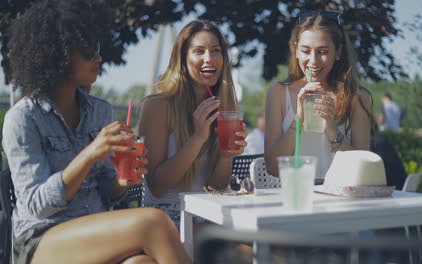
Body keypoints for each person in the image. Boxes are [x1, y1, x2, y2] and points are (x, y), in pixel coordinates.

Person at [2, 1, 191, 263]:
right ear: (58, 54)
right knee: (153, 222)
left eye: (97, 49)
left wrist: (120, 182)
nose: (98, 57)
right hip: (42, 241)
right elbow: (37, 205)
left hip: (95, 228)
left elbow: (107, 190)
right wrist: (89, 154)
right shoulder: (22, 118)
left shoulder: (100, 111)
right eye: (88, 50)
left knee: (142, 263)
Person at [137, 20, 247, 226]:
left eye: (216, 51)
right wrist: (197, 138)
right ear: (182, 58)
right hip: (166, 221)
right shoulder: (158, 106)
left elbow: (215, 188)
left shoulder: (221, 108)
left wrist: (226, 156)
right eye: (199, 51)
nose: (209, 58)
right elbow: (157, 187)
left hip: (207, 215)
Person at [264, 10, 372, 180]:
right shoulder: (278, 93)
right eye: (306, 51)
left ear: (338, 52)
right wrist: (297, 121)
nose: (313, 61)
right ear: (296, 50)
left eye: (322, 52)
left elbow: (363, 169)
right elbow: (272, 168)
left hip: (341, 200)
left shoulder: (357, 97)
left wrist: (331, 129)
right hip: (298, 196)